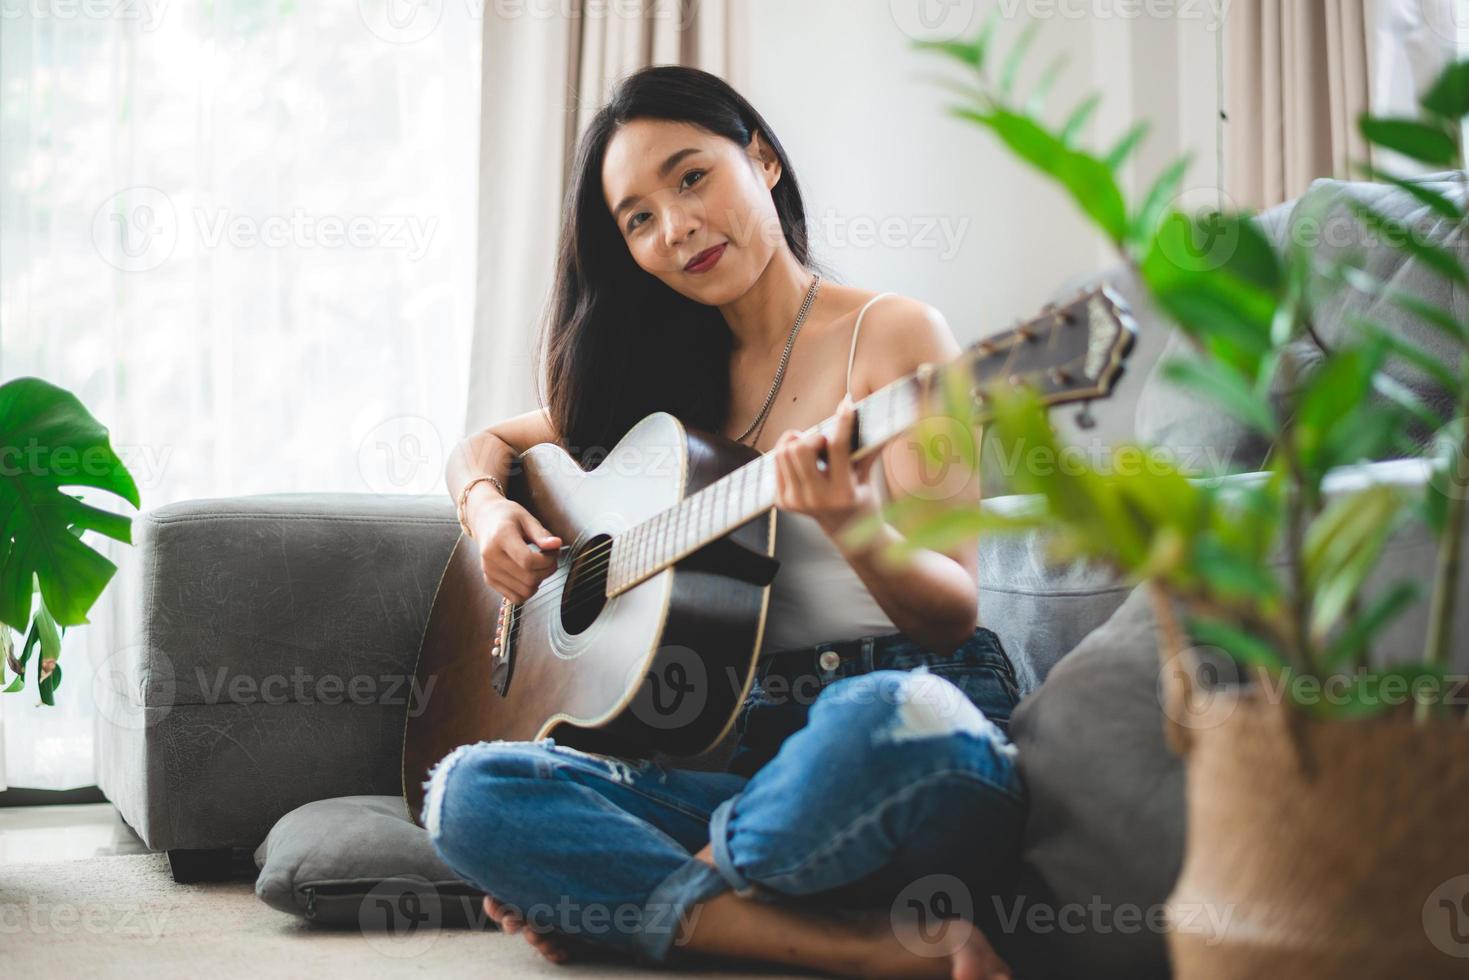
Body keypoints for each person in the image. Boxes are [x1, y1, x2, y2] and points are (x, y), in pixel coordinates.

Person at [423, 65, 1025, 979]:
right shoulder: (659, 393)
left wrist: (856, 522)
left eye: (691, 176)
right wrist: (484, 508)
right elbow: (487, 443)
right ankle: (860, 946)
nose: (677, 227)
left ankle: (658, 907)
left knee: (885, 719)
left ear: (763, 160)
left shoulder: (895, 336)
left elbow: (951, 612)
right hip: (736, 758)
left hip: (903, 730)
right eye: (637, 218)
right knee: (467, 792)